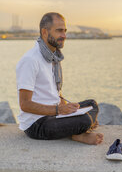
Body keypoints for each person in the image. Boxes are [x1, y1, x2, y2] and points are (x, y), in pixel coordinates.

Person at [16, 12, 104, 145]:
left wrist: (67, 106)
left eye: (65, 31)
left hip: (54, 114)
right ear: (45, 32)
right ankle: (80, 133)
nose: (64, 36)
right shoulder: (30, 60)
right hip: (37, 124)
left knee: (92, 105)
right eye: (59, 31)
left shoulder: (53, 57)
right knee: (85, 120)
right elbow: (25, 105)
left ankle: (80, 128)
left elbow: (53, 92)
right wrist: (59, 110)